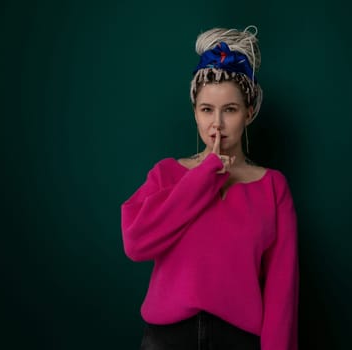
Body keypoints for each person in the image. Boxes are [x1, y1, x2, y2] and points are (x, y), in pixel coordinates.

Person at [121, 25, 299, 350]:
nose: (216, 123)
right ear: (195, 113)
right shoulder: (167, 174)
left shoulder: (273, 187)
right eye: (206, 110)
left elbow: (281, 295)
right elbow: (136, 243)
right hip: (166, 340)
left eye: (229, 109)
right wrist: (204, 176)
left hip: (238, 340)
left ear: (249, 112)